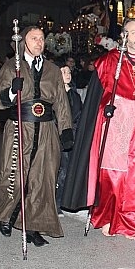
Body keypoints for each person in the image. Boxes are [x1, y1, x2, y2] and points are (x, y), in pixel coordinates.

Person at [62, 18, 135, 239]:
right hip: (115, 123)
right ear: (124, 36)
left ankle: (130, 223)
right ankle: (107, 217)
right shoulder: (110, 61)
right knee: (112, 174)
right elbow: (95, 98)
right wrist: (104, 107)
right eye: (133, 32)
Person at [0, 26, 74, 247]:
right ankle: (7, 215)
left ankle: (34, 226)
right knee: (14, 173)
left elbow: (61, 103)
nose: (39, 42)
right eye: (34, 38)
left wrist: (66, 130)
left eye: (42, 39)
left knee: (43, 179)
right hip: (20, 127)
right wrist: (11, 92)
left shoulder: (53, 70)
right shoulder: (11, 67)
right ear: (23, 41)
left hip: (45, 130)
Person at [54, 59, 82, 216]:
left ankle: (65, 201)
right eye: (63, 72)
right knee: (61, 171)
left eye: (69, 72)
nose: (67, 75)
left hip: (74, 136)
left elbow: (79, 115)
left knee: (70, 170)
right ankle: (56, 203)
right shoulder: (54, 95)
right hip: (59, 137)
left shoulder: (75, 95)